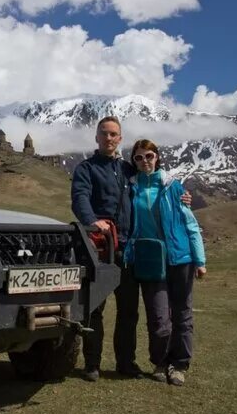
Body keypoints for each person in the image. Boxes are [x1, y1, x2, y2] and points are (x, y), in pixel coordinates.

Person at [71, 117, 191, 381]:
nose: (109, 138)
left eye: (114, 134)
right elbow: (80, 198)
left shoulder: (129, 170)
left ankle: (126, 363)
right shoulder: (86, 169)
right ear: (96, 137)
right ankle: (92, 364)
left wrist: (181, 195)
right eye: (104, 134)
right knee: (95, 308)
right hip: (99, 250)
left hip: (127, 251)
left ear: (120, 139)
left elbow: (155, 183)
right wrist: (92, 221)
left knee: (128, 311)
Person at [124, 139, 206, 387]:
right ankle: (160, 361)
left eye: (148, 156)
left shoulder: (173, 186)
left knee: (182, 314)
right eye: (138, 158)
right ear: (134, 162)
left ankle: (179, 364)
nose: (144, 161)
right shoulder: (132, 188)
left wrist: (200, 260)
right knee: (159, 318)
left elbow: (191, 224)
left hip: (180, 258)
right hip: (150, 260)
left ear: (157, 157)